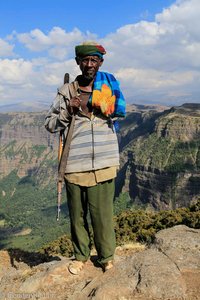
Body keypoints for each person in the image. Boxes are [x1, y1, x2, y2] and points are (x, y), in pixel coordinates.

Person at [45, 41, 126, 275]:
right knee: (78, 216)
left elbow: (121, 110)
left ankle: (106, 257)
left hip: (104, 162)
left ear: (100, 62)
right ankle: (80, 256)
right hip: (74, 164)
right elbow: (49, 124)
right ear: (78, 62)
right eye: (85, 60)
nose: (89, 64)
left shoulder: (109, 90)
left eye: (94, 60)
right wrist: (67, 111)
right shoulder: (66, 92)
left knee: (102, 216)